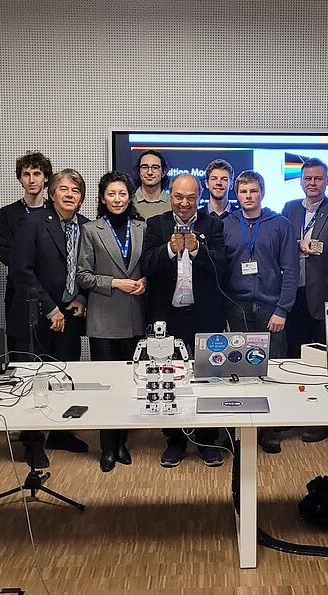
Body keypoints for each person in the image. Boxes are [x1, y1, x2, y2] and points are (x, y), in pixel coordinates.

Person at [141, 173, 228, 467]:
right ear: (170, 196)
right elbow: (146, 265)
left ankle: (206, 439)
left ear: (199, 197)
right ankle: (175, 440)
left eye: (191, 197)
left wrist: (197, 250)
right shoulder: (156, 224)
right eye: (178, 196)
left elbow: (223, 266)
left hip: (205, 316)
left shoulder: (213, 225)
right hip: (168, 317)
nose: (184, 203)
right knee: (170, 377)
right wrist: (170, 249)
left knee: (207, 378)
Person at [9, 169, 91, 469]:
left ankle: (61, 433)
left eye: (76, 190)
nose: (70, 195)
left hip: (69, 315)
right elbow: (21, 270)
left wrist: (82, 298)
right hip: (35, 316)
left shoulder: (86, 226)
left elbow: (87, 269)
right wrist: (50, 308)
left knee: (63, 376)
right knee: (33, 379)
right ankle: (32, 442)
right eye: (64, 189)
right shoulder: (32, 222)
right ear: (52, 193)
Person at [222, 171, 299, 454]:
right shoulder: (227, 224)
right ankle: (240, 428)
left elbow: (291, 270)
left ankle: (269, 430)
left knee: (272, 369)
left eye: (253, 191)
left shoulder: (280, 224)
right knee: (239, 370)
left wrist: (283, 309)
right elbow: (220, 269)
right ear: (237, 195)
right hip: (236, 307)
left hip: (271, 308)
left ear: (262, 193)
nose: (248, 196)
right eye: (243, 192)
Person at [78, 172, 149, 473]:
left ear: (130, 197)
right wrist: (115, 282)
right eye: (111, 194)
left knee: (129, 385)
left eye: (122, 194)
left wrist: (145, 281)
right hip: (104, 319)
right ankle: (107, 446)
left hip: (134, 317)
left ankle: (122, 443)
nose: (117, 200)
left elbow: (150, 267)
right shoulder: (90, 230)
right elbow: (83, 276)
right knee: (107, 387)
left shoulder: (143, 227)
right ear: (102, 198)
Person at [281, 158, 328, 444]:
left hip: (323, 298)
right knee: (293, 358)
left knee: (322, 361)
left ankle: (322, 418)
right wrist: (298, 244)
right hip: (292, 295)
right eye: (308, 178)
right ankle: (295, 412)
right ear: (300, 181)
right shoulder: (289, 209)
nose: (312, 183)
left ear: (327, 181)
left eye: (318, 178)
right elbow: (281, 247)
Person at [0, 151, 53, 343]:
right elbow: (7, 257)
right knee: (19, 350)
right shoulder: (6, 214)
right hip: (19, 292)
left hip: (52, 293)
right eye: (26, 174)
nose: (31, 180)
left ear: (46, 178)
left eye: (37, 174)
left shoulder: (56, 212)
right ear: (19, 178)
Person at [133, 150, 170, 221]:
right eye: (144, 167)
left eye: (155, 168)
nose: (149, 172)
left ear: (163, 172)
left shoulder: (173, 204)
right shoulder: (129, 202)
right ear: (139, 172)